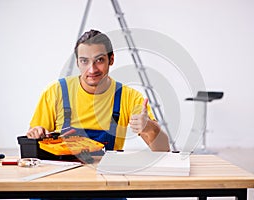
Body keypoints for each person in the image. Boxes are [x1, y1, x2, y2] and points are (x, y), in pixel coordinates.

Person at [26, 29, 170, 200]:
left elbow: (163, 150)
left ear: (111, 60)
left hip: (106, 188)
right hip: (61, 186)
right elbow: (32, 144)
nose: (92, 69)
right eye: (84, 61)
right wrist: (36, 134)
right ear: (78, 62)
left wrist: (149, 127)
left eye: (99, 60)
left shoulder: (128, 97)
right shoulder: (56, 92)